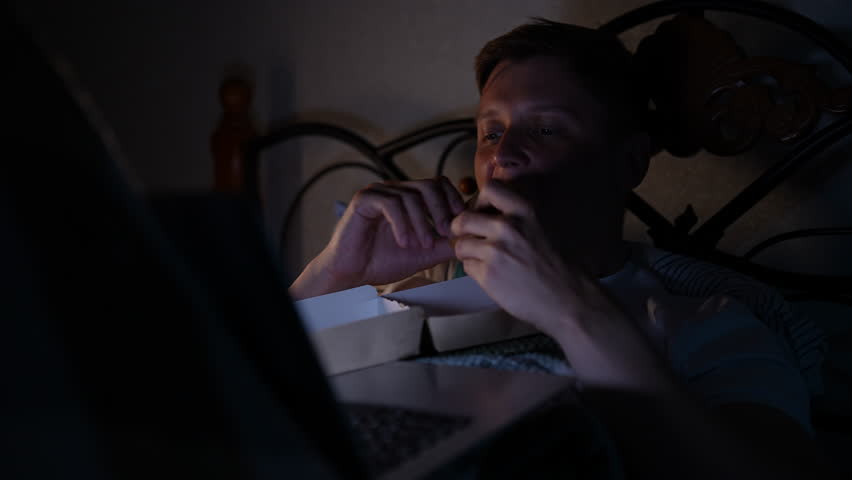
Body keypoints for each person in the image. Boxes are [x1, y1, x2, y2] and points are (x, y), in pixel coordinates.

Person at [290, 19, 828, 479]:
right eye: (490, 132)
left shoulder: (705, 319)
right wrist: (337, 272)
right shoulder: (412, 299)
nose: (505, 156)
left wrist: (570, 308)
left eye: (546, 129)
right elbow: (247, 396)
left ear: (629, 162)